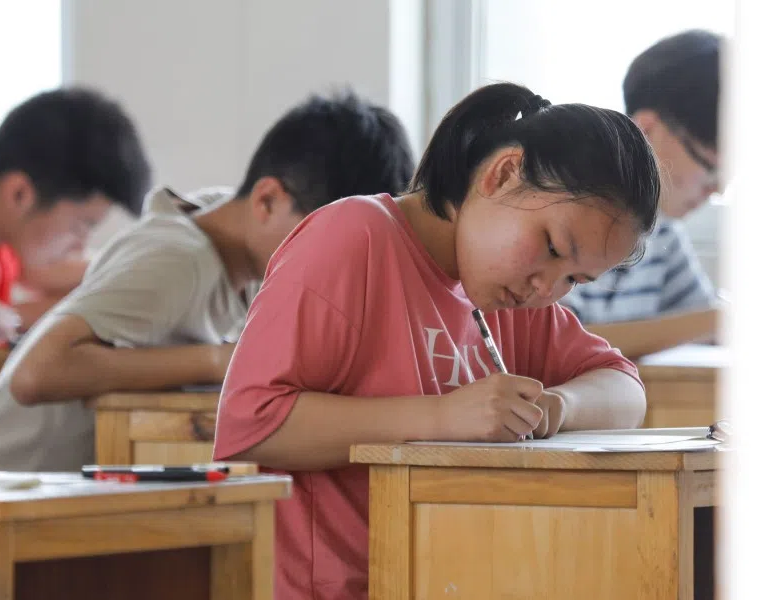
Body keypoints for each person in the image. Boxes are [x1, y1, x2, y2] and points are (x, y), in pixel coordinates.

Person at [213, 82, 662, 598]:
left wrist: (560, 404)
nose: (550, 287)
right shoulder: (353, 236)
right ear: (503, 174)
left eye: (575, 280)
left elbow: (627, 390)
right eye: (553, 247)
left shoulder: (514, 295)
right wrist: (442, 416)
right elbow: (250, 425)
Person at [0, 90, 415, 472]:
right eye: (328, 246)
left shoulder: (246, 249)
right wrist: (219, 361)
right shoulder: (178, 256)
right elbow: (36, 375)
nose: (335, 270)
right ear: (267, 201)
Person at [0, 87, 151, 347]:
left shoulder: (1, 244)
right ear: (19, 194)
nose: (80, 245)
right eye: (79, 226)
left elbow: (94, 281)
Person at [560, 29, 724, 358]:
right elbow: (558, 344)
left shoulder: (663, 230)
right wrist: (719, 320)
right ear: (647, 130)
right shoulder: (564, 208)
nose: (716, 189)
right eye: (708, 168)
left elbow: (705, 326)